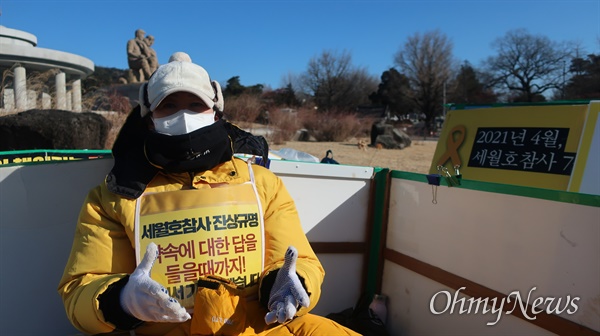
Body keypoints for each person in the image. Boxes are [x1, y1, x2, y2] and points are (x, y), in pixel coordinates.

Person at [58, 52, 360, 336]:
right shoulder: (115, 196)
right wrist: (122, 300)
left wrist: (290, 285)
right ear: (149, 117)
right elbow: (80, 290)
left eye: (195, 104)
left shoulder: (262, 183)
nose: (184, 115)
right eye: (169, 106)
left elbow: (299, 261)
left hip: (259, 326)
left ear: (216, 112)